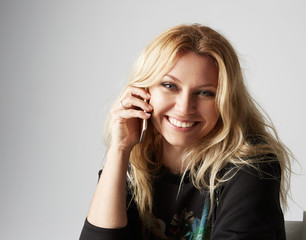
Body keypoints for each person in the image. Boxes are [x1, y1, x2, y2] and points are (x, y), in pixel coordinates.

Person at [80, 24, 292, 240]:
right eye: (170, 86)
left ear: (226, 102)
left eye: (205, 92)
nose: (183, 108)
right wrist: (120, 148)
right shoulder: (130, 165)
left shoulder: (251, 166)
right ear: (144, 91)